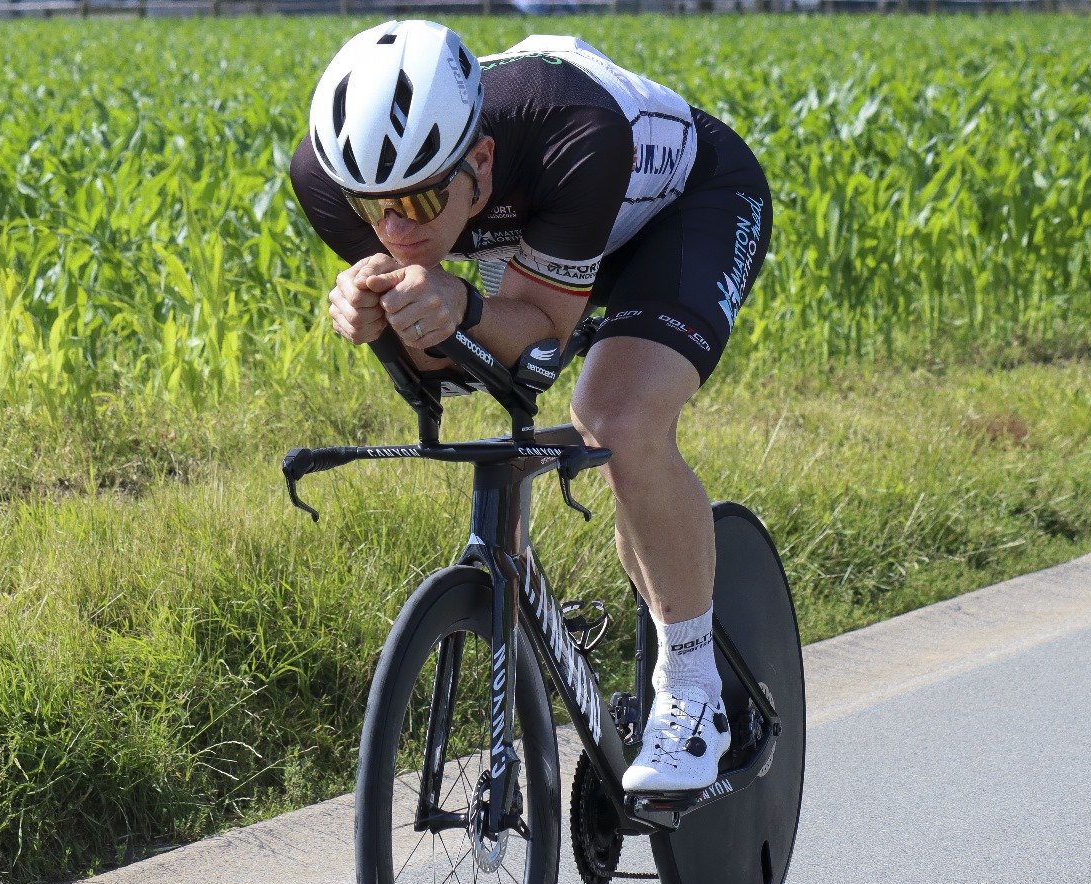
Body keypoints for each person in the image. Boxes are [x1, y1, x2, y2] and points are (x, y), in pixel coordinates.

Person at [290, 21, 772, 792]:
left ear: (478, 160)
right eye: (370, 206)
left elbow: (537, 339)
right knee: (570, 412)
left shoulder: (570, 129)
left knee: (616, 420)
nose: (393, 229)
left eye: (415, 198)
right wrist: (379, 311)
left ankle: (694, 692)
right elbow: (448, 368)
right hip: (549, 233)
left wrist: (464, 309)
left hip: (685, 211)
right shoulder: (323, 176)